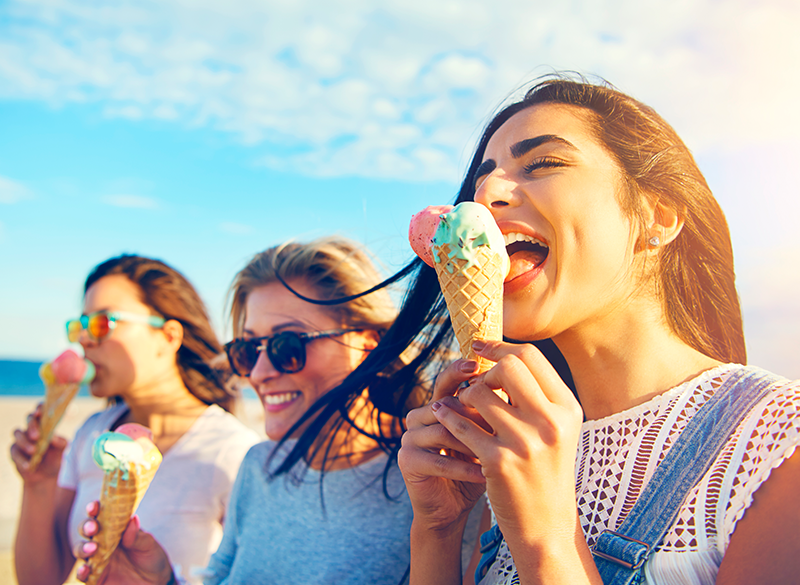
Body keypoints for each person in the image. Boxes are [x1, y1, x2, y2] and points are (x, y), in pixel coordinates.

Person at [396, 76, 800, 584]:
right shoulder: (510, 445)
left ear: (659, 214)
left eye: (541, 163)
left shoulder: (775, 443)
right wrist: (436, 529)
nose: (484, 195)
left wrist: (546, 535)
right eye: (483, 179)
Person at [74, 237, 480, 584]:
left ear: (367, 344)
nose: (261, 373)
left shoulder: (439, 484)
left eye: (289, 344)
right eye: (248, 349)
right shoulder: (259, 467)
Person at [11, 254, 260, 585]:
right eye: (80, 326)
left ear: (169, 336)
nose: (84, 339)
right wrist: (38, 484)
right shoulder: (91, 434)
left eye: (103, 323)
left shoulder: (233, 452)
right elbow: (39, 581)